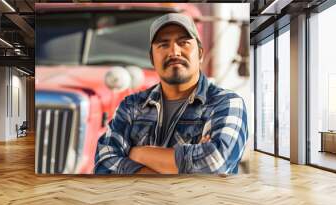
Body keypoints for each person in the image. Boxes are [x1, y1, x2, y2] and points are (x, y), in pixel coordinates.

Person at [94, 13, 248, 174]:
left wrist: (136, 153)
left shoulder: (226, 103)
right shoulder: (131, 106)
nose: (174, 51)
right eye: (163, 44)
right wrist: (179, 164)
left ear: (200, 53)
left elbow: (215, 162)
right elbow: (103, 163)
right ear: (152, 58)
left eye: (183, 43)